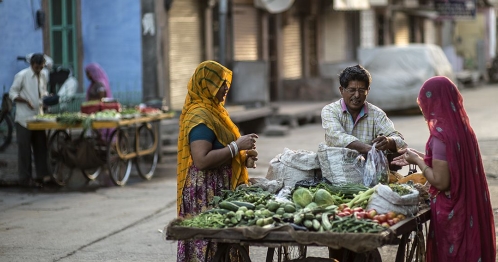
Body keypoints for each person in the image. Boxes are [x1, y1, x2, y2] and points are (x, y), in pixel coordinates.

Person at [391, 76, 496, 261]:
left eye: (424, 103)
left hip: (455, 214)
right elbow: (452, 165)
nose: (423, 109)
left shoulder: (441, 135)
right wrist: (420, 157)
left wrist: (417, 160)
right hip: (470, 207)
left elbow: (441, 181)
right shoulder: (461, 129)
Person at [176, 60, 259, 262]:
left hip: (219, 187)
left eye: (226, 83)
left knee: (224, 244)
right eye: (220, 83)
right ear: (206, 84)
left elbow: (221, 146)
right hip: (205, 192)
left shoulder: (216, 111)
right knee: (210, 246)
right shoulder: (200, 115)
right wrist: (236, 147)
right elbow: (202, 160)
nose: (226, 88)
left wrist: (241, 157)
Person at [321, 64, 407, 155]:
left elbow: (399, 140)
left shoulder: (377, 114)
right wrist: (369, 149)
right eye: (352, 90)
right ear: (341, 90)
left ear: (368, 91)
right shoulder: (330, 111)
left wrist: (389, 142)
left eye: (362, 90)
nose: (357, 95)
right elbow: (337, 136)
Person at [9, 53, 50, 187]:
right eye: (37, 67)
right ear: (32, 65)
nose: (39, 70)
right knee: (24, 150)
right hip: (24, 119)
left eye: (41, 67)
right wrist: (26, 101)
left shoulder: (43, 75)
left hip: (38, 117)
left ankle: (41, 176)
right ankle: (25, 179)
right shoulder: (22, 76)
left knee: (41, 147)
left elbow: (43, 92)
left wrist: (47, 99)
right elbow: (12, 94)